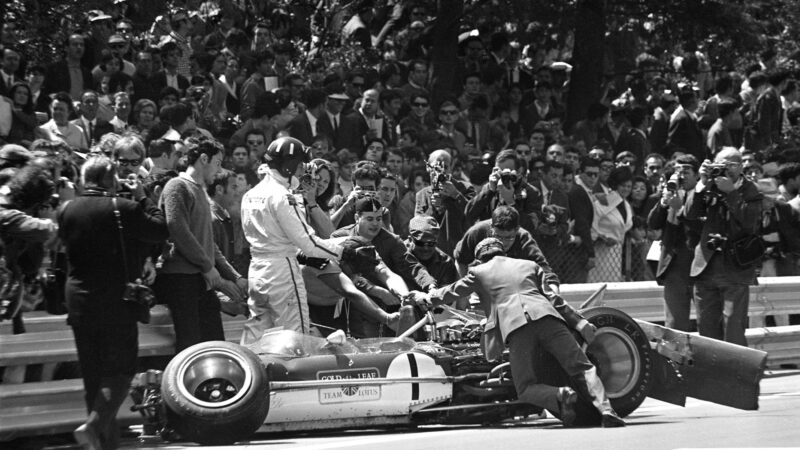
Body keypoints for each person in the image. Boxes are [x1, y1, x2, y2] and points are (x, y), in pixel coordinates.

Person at [409, 238, 625, 428]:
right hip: (549, 318)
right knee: (583, 367)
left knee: (525, 387)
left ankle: (560, 395)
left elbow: (451, 292)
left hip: (516, 326)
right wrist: (579, 323)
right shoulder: (529, 265)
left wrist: (427, 297)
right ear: (503, 253)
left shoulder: (478, 271)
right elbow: (554, 298)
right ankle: (607, 411)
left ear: (479, 259)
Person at [58, 156, 167, 450]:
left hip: (79, 300)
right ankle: (93, 426)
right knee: (122, 370)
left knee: (93, 376)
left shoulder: (66, 210)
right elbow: (160, 229)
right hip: (117, 300)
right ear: (110, 179)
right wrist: (143, 196)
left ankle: (103, 444)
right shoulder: (125, 208)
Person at [240, 136, 373, 343]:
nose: (303, 169)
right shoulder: (283, 197)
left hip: (256, 270)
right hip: (282, 273)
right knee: (295, 336)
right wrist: (345, 250)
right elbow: (308, 244)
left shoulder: (250, 195)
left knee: (257, 334)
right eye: (300, 164)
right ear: (288, 166)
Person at [155, 136, 245, 352]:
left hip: (201, 280)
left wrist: (235, 277)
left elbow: (208, 243)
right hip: (181, 279)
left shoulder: (200, 191)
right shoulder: (177, 186)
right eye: (217, 162)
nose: (219, 169)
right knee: (191, 344)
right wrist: (208, 267)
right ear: (204, 159)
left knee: (214, 342)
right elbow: (178, 230)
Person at [684, 147, 762, 346]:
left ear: (741, 166)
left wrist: (731, 193)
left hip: (735, 269)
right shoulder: (709, 185)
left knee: (733, 329)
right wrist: (701, 183)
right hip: (706, 267)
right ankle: (713, 377)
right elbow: (690, 214)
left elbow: (750, 224)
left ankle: (736, 376)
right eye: (721, 165)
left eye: (731, 165)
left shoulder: (751, 190)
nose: (726, 169)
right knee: (707, 330)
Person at [648, 156, 699, 330]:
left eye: (686, 172)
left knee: (707, 323)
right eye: (678, 172)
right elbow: (653, 224)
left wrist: (680, 209)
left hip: (700, 268)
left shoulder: (703, 194)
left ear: (697, 175)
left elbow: (700, 227)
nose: (681, 176)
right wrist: (663, 203)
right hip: (674, 267)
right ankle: (674, 359)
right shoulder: (671, 193)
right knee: (674, 326)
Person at [588, 167, 634, 283]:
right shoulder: (605, 200)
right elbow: (592, 223)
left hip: (617, 255)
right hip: (599, 253)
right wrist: (600, 237)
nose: (626, 189)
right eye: (623, 185)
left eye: (629, 186)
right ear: (615, 185)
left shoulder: (627, 205)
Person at [405, 215, 458, 287]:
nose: (425, 248)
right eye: (420, 243)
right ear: (410, 240)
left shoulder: (445, 263)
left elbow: (447, 293)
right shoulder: (398, 254)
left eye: (431, 243)